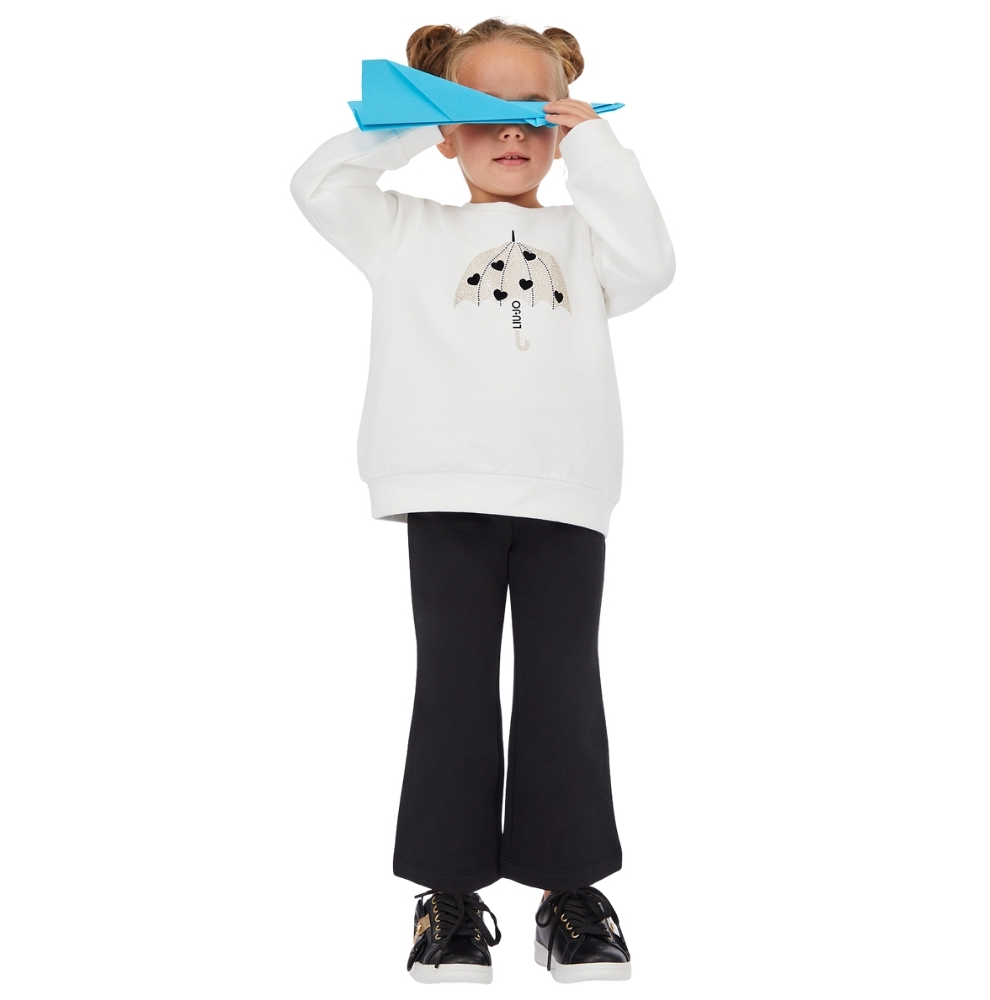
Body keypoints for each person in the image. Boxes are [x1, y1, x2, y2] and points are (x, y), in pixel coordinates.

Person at [289, 18, 675, 985]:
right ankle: (450, 898)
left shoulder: (588, 238)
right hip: (445, 485)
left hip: (564, 489)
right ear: (446, 131)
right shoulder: (403, 230)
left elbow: (653, 264)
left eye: (536, 115)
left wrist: (598, 148)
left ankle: (569, 893)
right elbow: (319, 185)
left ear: (564, 128)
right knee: (454, 687)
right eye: (480, 111)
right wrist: (410, 121)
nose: (512, 133)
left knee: (563, 686)